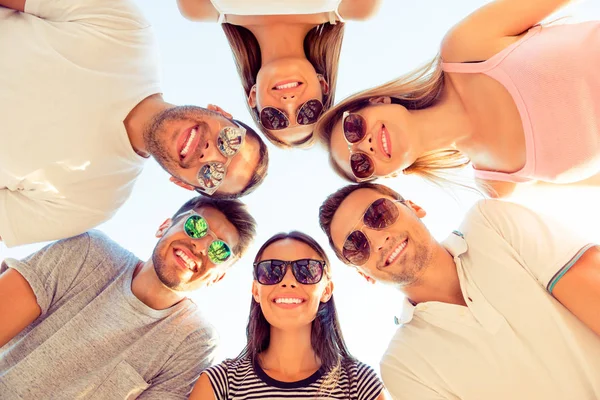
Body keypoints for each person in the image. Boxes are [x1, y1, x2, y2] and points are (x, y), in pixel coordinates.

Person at [0, 0, 269, 247]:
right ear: (220, 111)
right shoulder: (127, 31)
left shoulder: (94, 203)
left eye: (213, 174)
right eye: (230, 141)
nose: (210, 152)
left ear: (183, 185)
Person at [318, 182, 600, 399]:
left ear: (414, 207)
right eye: (356, 246)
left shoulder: (491, 224)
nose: (379, 240)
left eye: (379, 214)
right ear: (363, 275)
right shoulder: (403, 364)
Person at [315, 0, 600, 198]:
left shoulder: (464, 48)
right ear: (390, 175)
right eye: (361, 164)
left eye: (353, 128)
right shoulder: (500, 184)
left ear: (377, 101)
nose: (364, 144)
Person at [0, 196, 257, 399]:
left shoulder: (193, 342)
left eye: (219, 250)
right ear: (164, 226)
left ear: (218, 278)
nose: (200, 246)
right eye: (196, 226)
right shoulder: (88, 251)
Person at [190, 231, 389, 400]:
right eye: (271, 270)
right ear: (256, 291)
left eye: (307, 270)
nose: (288, 281)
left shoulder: (361, 384)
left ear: (327, 290)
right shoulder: (218, 384)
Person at [177, 0, 381, 148]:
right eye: (308, 111)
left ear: (254, 97)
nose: (290, 102)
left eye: (275, 118)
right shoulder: (357, 6)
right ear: (323, 85)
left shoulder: (197, 7)